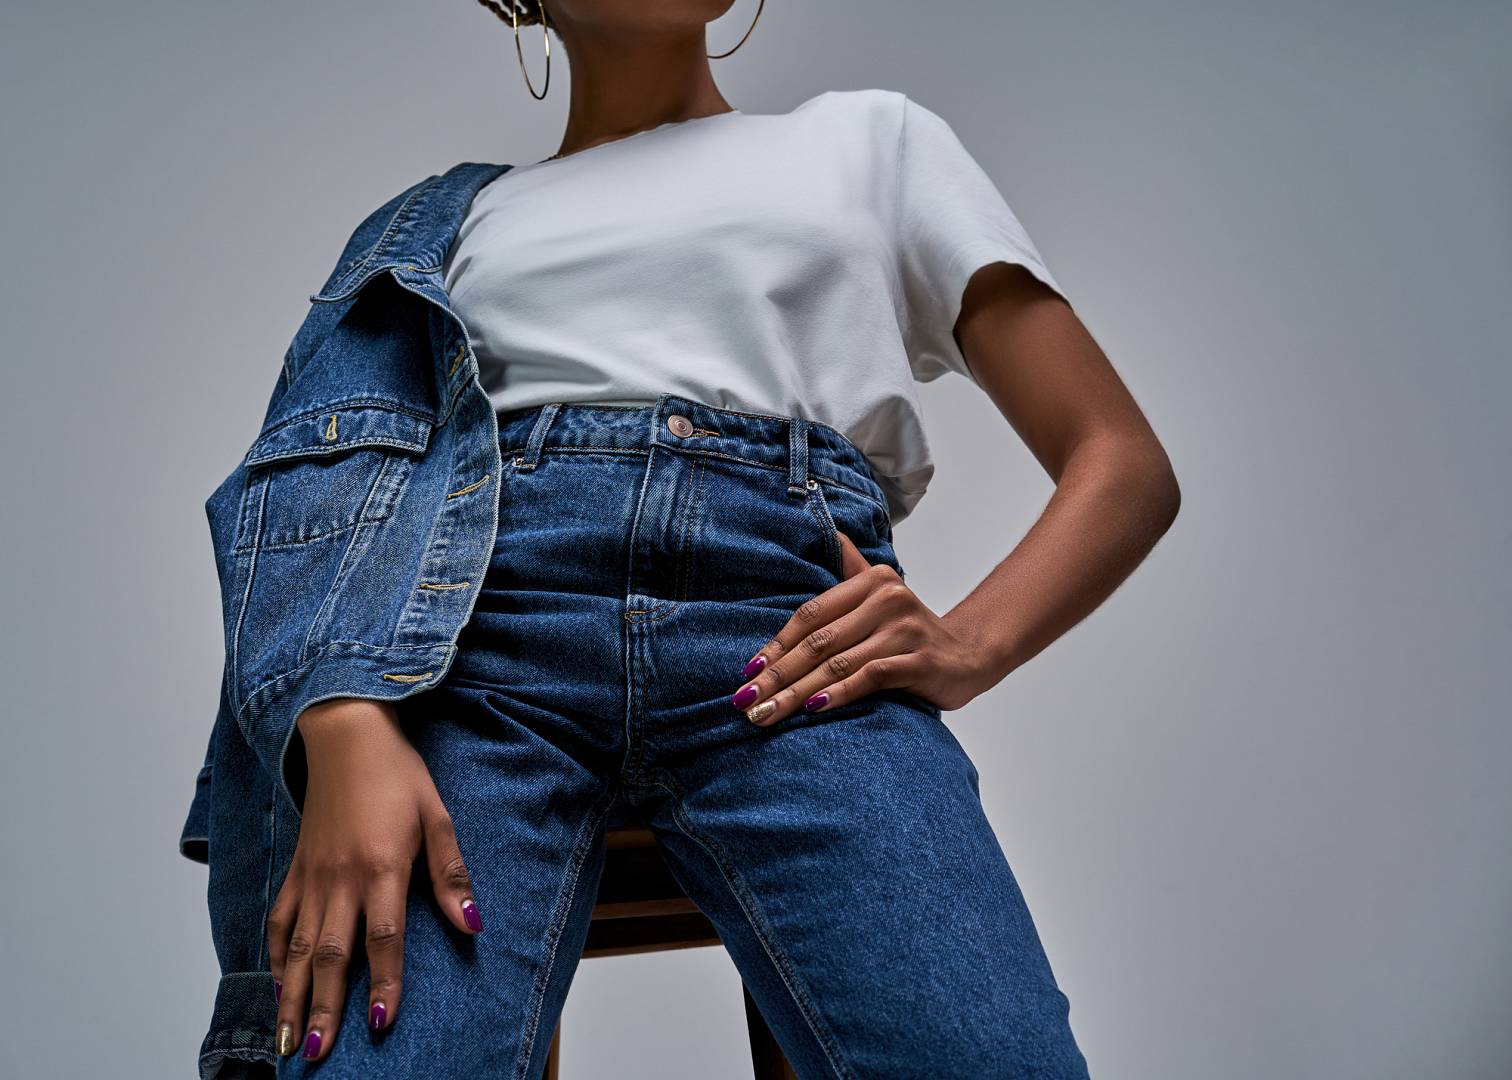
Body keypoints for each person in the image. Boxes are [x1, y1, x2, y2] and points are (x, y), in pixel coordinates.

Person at [201, 1, 1179, 1076]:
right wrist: (342, 724)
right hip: (476, 657)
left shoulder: (872, 142)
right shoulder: (430, 229)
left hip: (791, 652)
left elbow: (1121, 462)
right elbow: (306, 498)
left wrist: (970, 643)